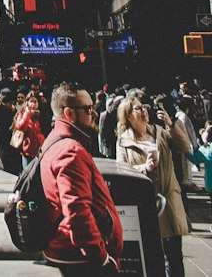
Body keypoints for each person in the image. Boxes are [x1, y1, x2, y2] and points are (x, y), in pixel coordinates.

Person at [39, 82, 123, 275]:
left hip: (66, 250)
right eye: (88, 108)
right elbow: (77, 212)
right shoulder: (71, 151)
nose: (93, 113)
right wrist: (101, 258)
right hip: (80, 259)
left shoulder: (53, 141)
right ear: (69, 114)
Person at [116, 91, 189, 277]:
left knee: (175, 257)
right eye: (138, 108)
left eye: (144, 106)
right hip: (147, 205)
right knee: (154, 257)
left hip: (170, 200)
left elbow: (185, 147)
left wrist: (171, 125)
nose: (144, 110)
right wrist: (143, 168)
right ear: (128, 115)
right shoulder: (123, 141)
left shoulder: (159, 131)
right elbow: (121, 171)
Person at [14, 88, 45, 167]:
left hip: (39, 151)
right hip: (27, 151)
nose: (33, 104)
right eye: (31, 101)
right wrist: (28, 113)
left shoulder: (41, 115)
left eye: (35, 102)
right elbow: (21, 127)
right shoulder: (22, 113)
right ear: (27, 102)